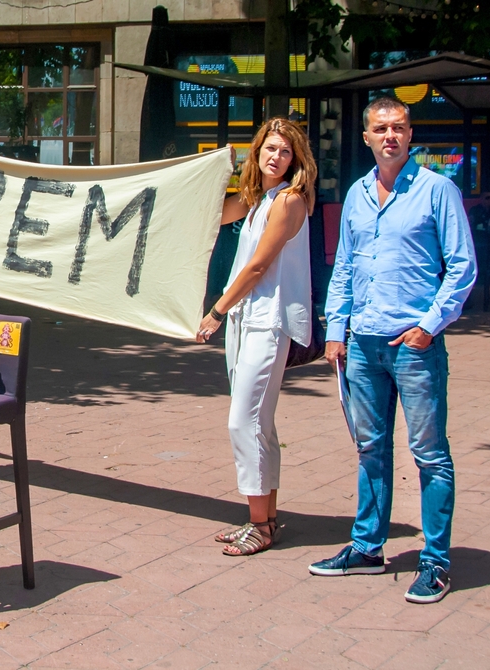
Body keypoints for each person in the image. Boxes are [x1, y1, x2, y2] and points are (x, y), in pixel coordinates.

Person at [311, 97, 476, 604]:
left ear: (411, 134)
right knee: (370, 450)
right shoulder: (357, 194)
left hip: (413, 347)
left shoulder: (436, 190)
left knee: (429, 454)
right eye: (380, 128)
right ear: (366, 137)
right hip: (362, 344)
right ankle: (367, 548)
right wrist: (334, 330)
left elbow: (463, 266)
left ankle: (436, 562)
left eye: (399, 128)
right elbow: (343, 267)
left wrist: (429, 326)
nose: (390, 136)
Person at [196, 118, 316, 557]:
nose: (275, 157)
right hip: (245, 321)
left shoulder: (288, 201)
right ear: (256, 152)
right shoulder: (258, 198)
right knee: (259, 424)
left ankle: (260, 526)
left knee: (243, 422)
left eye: (285, 151)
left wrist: (216, 311)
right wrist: (212, 170)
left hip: (267, 321)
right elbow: (215, 214)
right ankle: (264, 519)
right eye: (269, 149)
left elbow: (258, 266)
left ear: (295, 159)